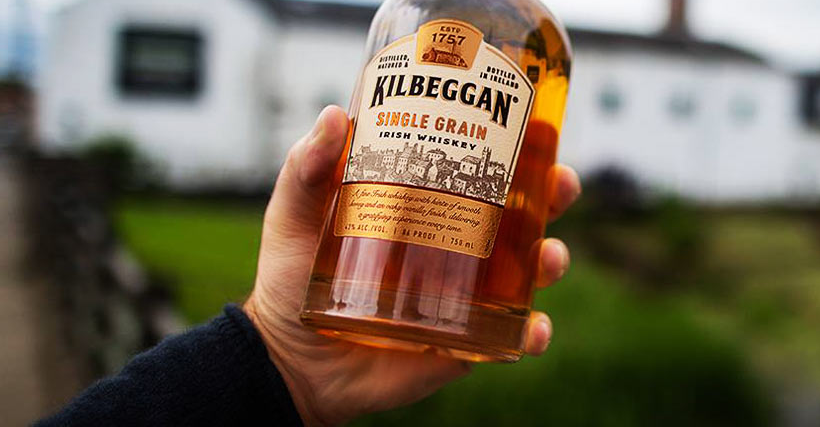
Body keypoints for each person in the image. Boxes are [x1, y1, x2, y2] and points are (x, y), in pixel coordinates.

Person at [38, 106, 580, 426]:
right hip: (347, 301)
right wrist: (278, 355)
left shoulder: (534, 29)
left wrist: (281, 366)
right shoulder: (414, 6)